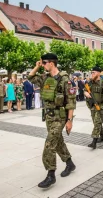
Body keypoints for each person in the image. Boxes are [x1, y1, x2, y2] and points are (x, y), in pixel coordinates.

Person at [28, 53, 77, 188]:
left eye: (44, 63)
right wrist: (37, 66)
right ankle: (70, 163)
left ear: (52, 63)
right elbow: (30, 77)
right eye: (42, 63)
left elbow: (71, 102)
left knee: (49, 143)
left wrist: (69, 121)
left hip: (60, 117)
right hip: (49, 117)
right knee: (58, 142)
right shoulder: (45, 78)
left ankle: (51, 175)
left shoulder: (65, 80)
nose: (42, 65)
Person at [84, 66, 103, 149]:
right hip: (92, 106)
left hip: (100, 106)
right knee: (96, 122)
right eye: (91, 72)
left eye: (94, 72)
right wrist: (86, 93)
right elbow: (85, 90)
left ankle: (94, 142)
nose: (92, 74)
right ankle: (102, 137)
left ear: (99, 73)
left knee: (97, 122)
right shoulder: (90, 83)